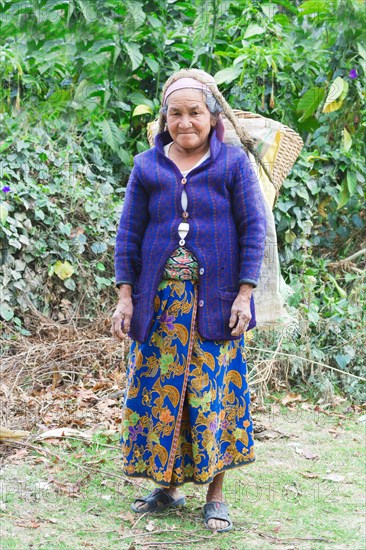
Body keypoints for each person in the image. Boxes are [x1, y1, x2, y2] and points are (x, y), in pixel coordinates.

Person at [111, 68, 267, 532]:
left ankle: (216, 496)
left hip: (215, 303)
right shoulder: (147, 166)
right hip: (159, 304)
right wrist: (125, 297)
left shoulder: (233, 164)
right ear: (164, 119)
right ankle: (167, 486)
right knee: (161, 393)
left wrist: (244, 294)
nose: (185, 122)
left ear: (213, 116)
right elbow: (129, 235)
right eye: (175, 114)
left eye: (194, 113)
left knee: (211, 393)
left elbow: (253, 230)